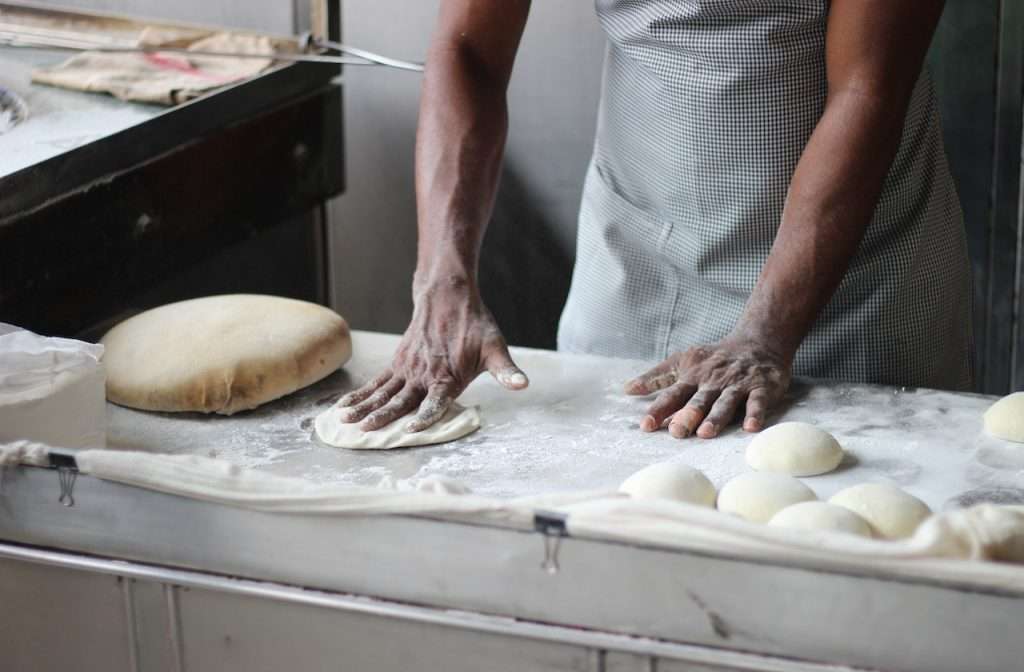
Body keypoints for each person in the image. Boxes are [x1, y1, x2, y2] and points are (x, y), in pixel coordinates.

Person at [339, 0, 971, 440]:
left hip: (849, 277)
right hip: (636, 251)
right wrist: (442, 280)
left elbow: (868, 89)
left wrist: (766, 332)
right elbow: (468, 50)